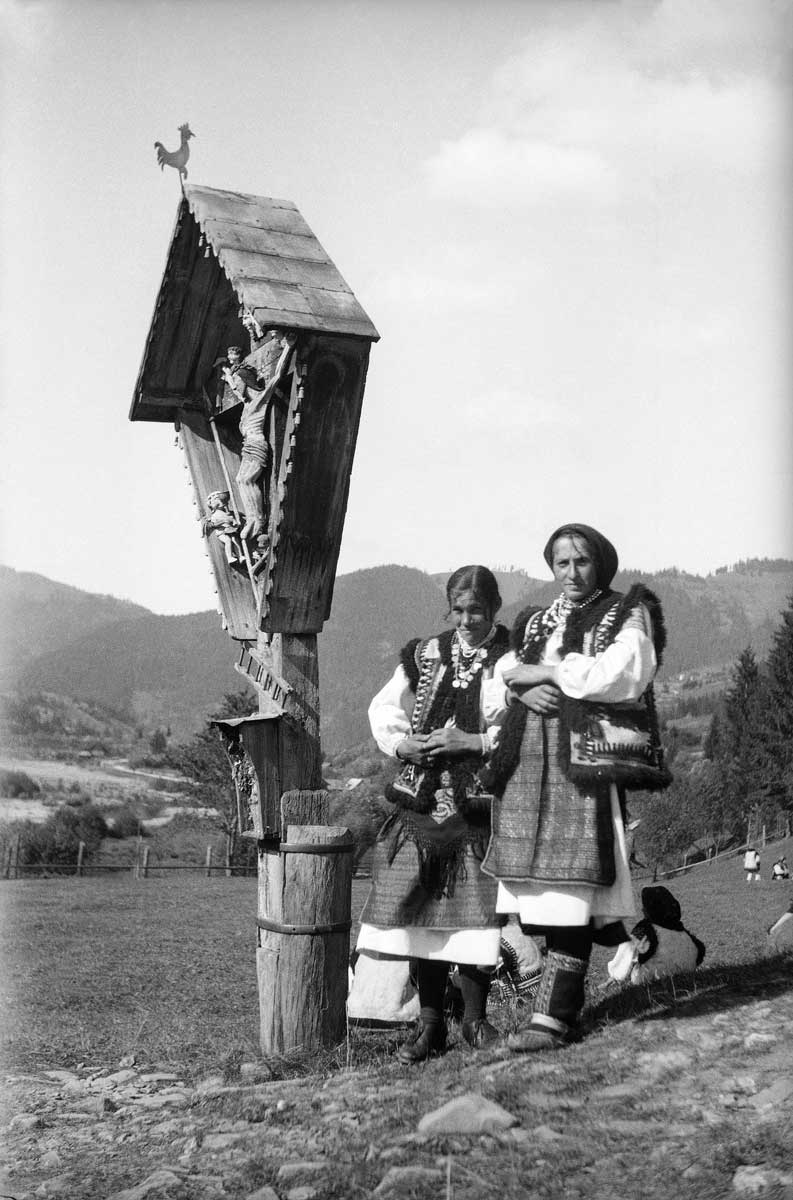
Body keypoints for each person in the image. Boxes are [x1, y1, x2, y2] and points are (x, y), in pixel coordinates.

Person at [479, 522, 669, 1051]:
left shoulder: (627, 610)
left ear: (600, 563)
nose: (571, 572)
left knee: (574, 887)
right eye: (561, 562)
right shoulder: (537, 619)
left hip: (582, 766)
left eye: (581, 560)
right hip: (529, 765)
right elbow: (499, 684)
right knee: (541, 892)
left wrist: (543, 673)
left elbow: (620, 672)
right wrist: (522, 691)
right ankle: (556, 1011)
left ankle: (554, 1018)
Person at [356, 566, 510, 1063]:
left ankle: (474, 1021)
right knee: (421, 912)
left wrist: (477, 741)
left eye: (477, 611)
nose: (466, 620)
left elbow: (526, 724)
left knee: (474, 914)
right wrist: (404, 743)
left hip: (478, 802)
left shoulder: (511, 656)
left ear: (494, 609)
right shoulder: (426, 654)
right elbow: (383, 706)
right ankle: (429, 1027)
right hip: (422, 798)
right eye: (458, 610)